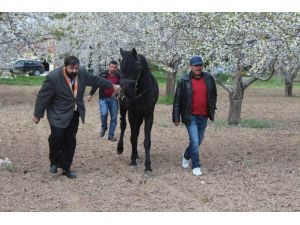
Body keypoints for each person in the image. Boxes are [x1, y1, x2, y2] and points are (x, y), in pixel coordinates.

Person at [32, 56, 120, 179]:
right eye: (71, 68)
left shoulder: (82, 73)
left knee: (70, 140)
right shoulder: (53, 77)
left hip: (74, 113)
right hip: (57, 113)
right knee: (56, 137)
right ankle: (54, 161)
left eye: (76, 68)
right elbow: (43, 96)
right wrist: (37, 114)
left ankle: (66, 168)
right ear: (65, 67)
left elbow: (96, 80)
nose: (74, 71)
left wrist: (112, 85)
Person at [172, 56, 217, 176]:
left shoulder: (208, 78)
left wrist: (212, 108)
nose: (198, 67)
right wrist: (176, 117)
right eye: (196, 65)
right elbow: (177, 100)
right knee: (195, 140)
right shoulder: (183, 80)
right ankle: (196, 166)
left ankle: (186, 155)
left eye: (200, 65)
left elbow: (213, 94)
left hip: (204, 115)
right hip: (190, 116)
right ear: (190, 67)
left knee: (198, 140)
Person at [87, 60, 120, 142]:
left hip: (114, 99)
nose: (113, 68)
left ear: (117, 68)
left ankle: (111, 135)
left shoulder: (119, 76)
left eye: (115, 67)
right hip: (103, 99)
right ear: (109, 66)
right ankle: (104, 127)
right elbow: (96, 83)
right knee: (104, 114)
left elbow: (122, 85)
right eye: (111, 67)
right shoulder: (103, 74)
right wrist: (91, 94)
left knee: (114, 118)